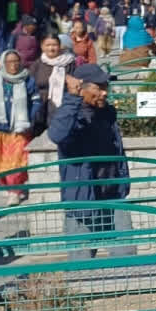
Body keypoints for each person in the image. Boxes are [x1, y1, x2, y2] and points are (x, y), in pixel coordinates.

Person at [47, 63, 135, 260]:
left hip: (113, 196)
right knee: (82, 266)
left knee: (128, 261)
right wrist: (72, 98)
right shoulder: (71, 116)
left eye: (106, 87)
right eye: (99, 87)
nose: (105, 93)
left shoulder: (108, 113)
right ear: (82, 88)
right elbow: (56, 135)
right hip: (82, 201)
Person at [0, 50, 42, 207]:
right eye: (9, 62)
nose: (13, 65)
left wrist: (29, 121)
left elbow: (36, 102)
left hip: (20, 130)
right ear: (3, 63)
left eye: (16, 61)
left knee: (18, 161)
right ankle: (9, 186)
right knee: (0, 163)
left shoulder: (27, 80)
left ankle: (15, 191)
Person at [29, 34, 76, 127]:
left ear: (59, 46)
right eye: (48, 45)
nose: (51, 48)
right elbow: (30, 87)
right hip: (40, 108)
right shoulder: (37, 65)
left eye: (54, 45)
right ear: (42, 47)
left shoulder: (69, 63)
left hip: (62, 106)